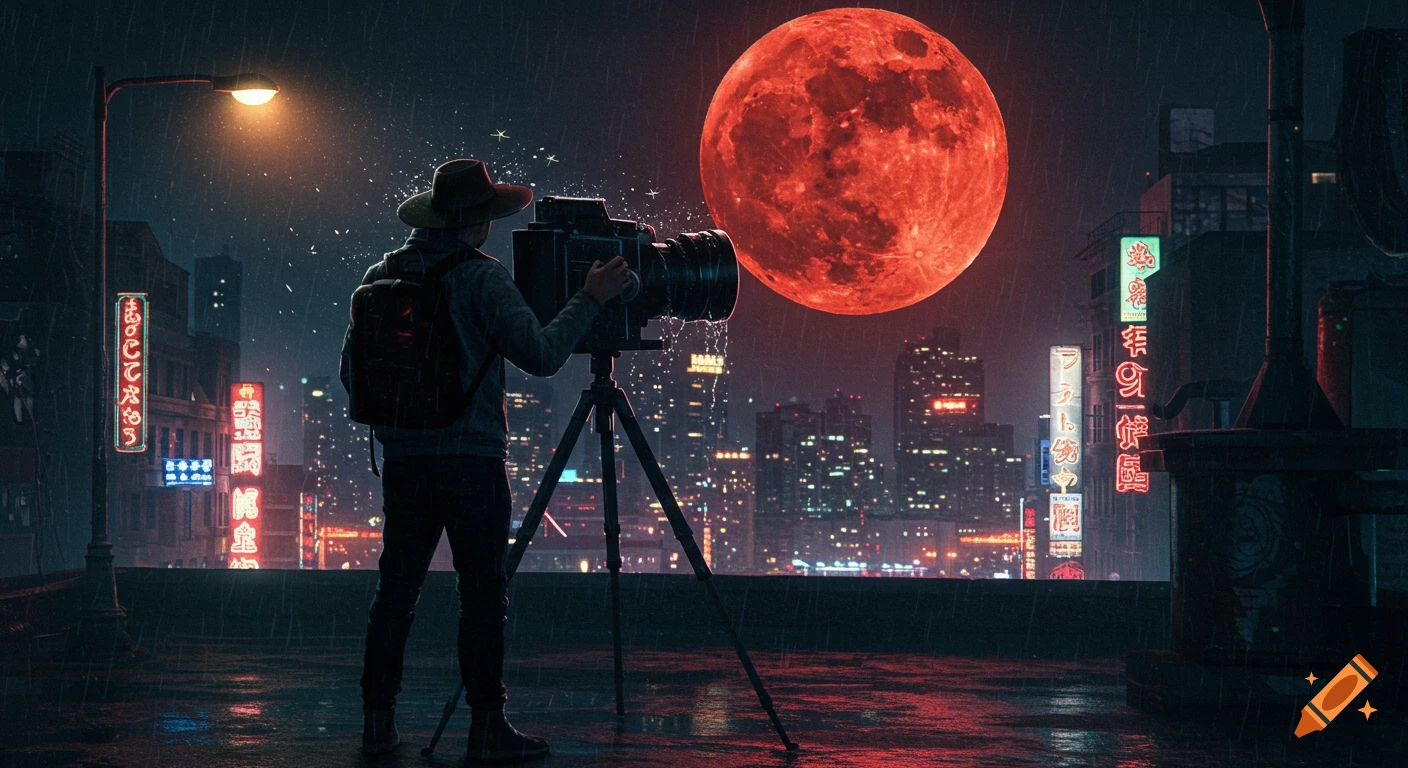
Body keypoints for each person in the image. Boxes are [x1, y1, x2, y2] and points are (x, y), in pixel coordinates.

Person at [343, 158, 630, 762]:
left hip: (403, 462)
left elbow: (352, 374)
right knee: (481, 595)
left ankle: (377, 723)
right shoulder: (482, 279)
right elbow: (545, 353)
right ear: (477, 222)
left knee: (395, 594)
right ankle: (486, 728)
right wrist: (590, 297)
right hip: (470, 461)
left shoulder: (381, 275)